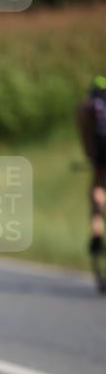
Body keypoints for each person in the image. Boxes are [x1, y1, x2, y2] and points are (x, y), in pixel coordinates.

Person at [76, 74, 106, 257]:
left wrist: (90, 153)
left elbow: (84, 127)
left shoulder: (88, 103)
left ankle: (96, 231)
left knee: (97, 188)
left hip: (101, 152)